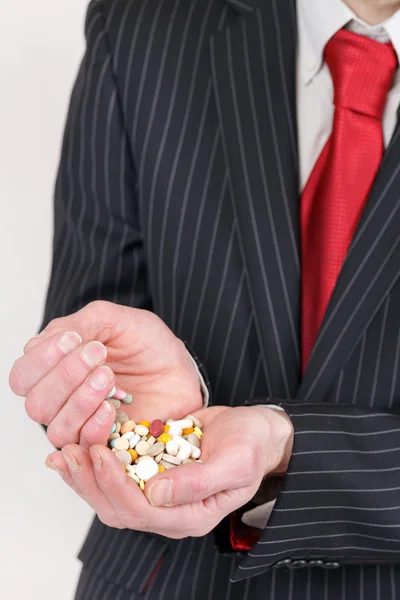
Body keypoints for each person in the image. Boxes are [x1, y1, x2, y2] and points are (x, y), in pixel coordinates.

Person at [9, 0, 400, 597]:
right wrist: (110, 408)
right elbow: (91, 330)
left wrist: (283, 444)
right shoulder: (144, 24)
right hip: (168, 580)